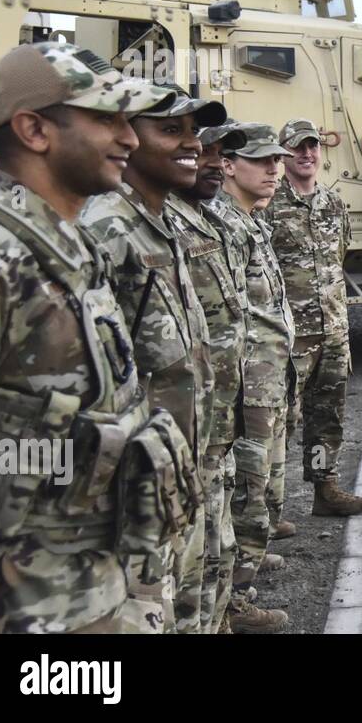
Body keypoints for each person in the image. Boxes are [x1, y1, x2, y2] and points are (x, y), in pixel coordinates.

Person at [0, 41, 177, 633]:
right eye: (105, 119)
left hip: (89, 590)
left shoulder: (67, 247)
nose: (130, 138)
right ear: (34, 129)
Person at [80, 87, 225, 634]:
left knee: (185, 600)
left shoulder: (160, 221)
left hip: (179, 461)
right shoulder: (105, 228)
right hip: (136, 485)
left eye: (193, 131)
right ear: (126, 137)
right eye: (171, 130)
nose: (192, 144)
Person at [262, 118, 362, 519]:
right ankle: (268, 511)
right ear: (284, 155)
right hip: (291, 336)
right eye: (297, 148)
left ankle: (325, 491)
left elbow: (338, 258)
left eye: (313, 147)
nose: (307, 154)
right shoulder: (270, 206)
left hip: (334, 330)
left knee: (327, 416)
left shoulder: (334, 202)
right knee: (280, 422)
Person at [164, 121, 248, 633]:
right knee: (183, 569)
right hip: (177, 438)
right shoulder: (145, 223)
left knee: (213, 548)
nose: (212, 160)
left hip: (213, 420)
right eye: (203, 150)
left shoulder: (203, 218)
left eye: (220, 153)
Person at [217, 122, 296, 632]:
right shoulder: (224, 225)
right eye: (262, 160)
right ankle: (234, 599)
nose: (275, 169)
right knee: (248, 486)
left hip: (269, 373)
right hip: (249, 381)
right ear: (228, 166)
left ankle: (249, 555)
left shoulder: (251, 220)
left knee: (262, 482)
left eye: (277, 160)